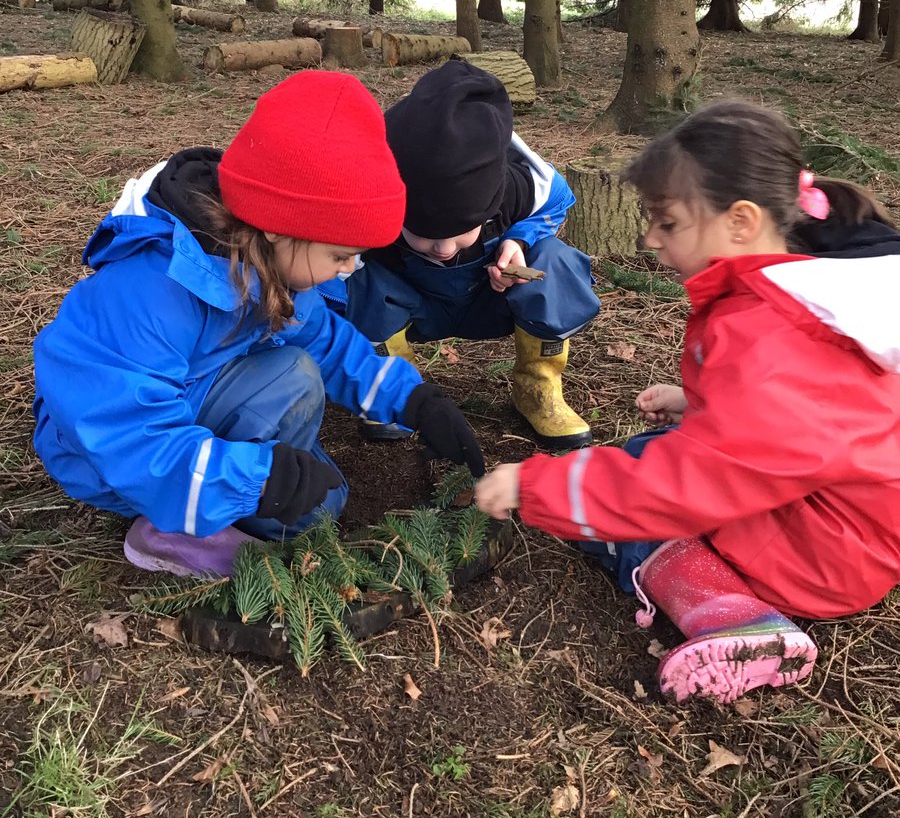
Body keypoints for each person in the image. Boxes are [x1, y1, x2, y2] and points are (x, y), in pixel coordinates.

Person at [474, 100, 900, 704]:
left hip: (826, 551)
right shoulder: (807, 285)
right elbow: (798, 422)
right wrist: (701, 404)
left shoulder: (772, 335)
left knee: (637, 517)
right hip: (839, 515)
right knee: (645, 456)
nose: (650, 239)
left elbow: (691, 481)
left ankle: (735, 619)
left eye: (668, 223)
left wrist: (535, 487)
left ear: (741, 222)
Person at [32, 71, 485, 579]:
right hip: (108, 456)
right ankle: (172, 528)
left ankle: (231, 490)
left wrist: (411, 400)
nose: (349, 270)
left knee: (320, 503)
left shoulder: (274, 267)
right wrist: (254, 482)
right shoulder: (151, 291)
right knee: (291, 397)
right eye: (341, 255)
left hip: (192, 399)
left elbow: (326, 343)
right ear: (278, 225)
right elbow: (124, 430)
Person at [318, 60, 601, 449]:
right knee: (360, 278)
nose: (445, 249)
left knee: (556, 260)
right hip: (414, 308)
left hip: (490, 301)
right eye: (424, 235)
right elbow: (324, 277)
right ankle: (393, 391)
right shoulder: (367, 205)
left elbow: (556, 202)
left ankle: (539, 390)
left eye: (460, 233)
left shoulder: (519, 186)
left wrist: (518, 241)